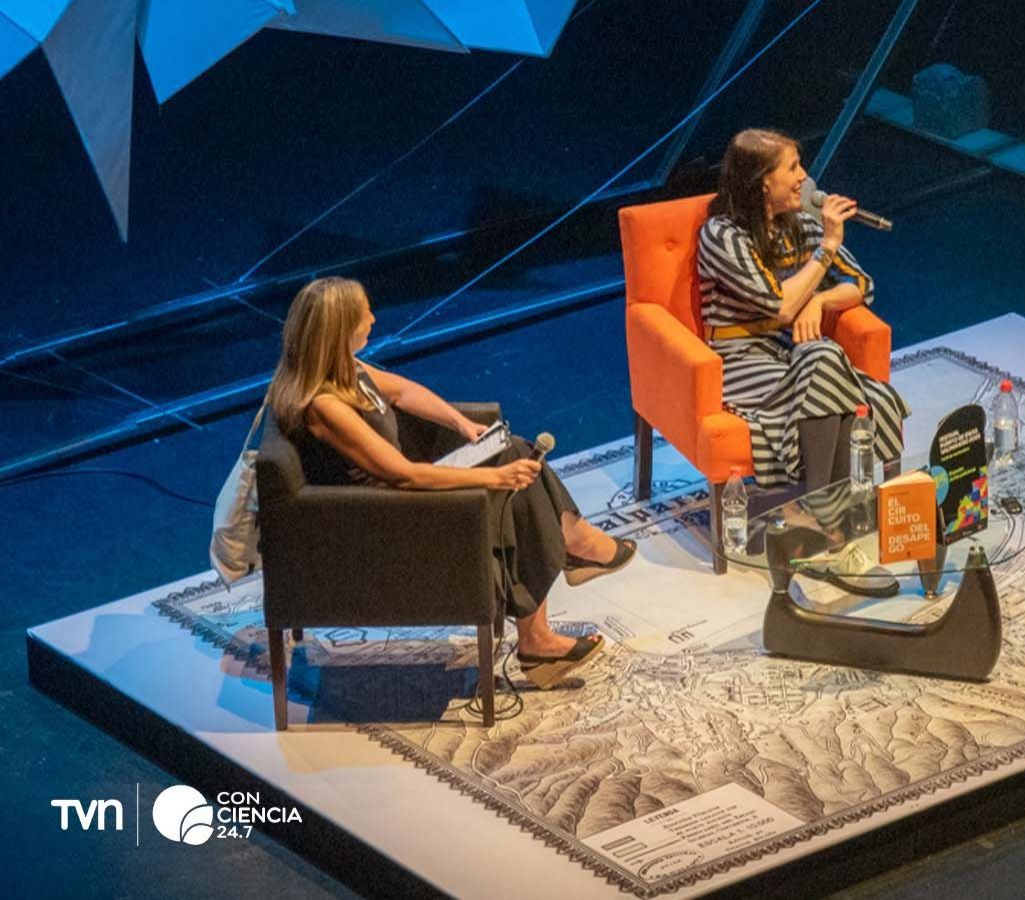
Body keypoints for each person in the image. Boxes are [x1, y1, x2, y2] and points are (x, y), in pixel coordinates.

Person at [264, 276, 633, 687]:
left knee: (514, 450)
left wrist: (462, 424)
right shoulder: (325, 405)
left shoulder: (345, 371)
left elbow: (403, 393)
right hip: (385, 521)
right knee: (512, 478)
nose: (372, 318)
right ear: (340, 330)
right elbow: (401, 474)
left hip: (393, 500)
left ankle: (565, 572)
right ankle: (569, 565)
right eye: (364, 313)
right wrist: (492, 476)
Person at [697, 128, 909, 492]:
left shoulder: (801, 225)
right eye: (793, 168)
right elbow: (780, 305)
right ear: (763, 182)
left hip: (789, 353)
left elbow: (860, 284)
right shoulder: (722, 235)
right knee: (828, 363)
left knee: (834, 370)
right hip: (738, 361)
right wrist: (827, 246)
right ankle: (830, 505)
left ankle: (828, 507)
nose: (803, 178)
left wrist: (819, 300)